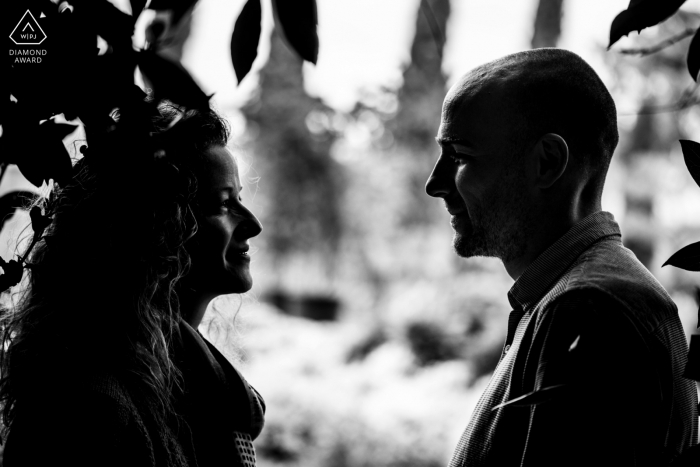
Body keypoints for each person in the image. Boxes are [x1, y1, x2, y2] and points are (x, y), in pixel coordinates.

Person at [425, 48, 698, 466]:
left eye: (460, 155)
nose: (435, 184)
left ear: (548, 163)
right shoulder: (568, 297)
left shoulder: (590, 309)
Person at [0, 103, 264, 466]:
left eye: (240, 201)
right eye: (223, 204)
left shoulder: (181, 387)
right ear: (155, 228)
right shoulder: (92, 410)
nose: (253, 224)